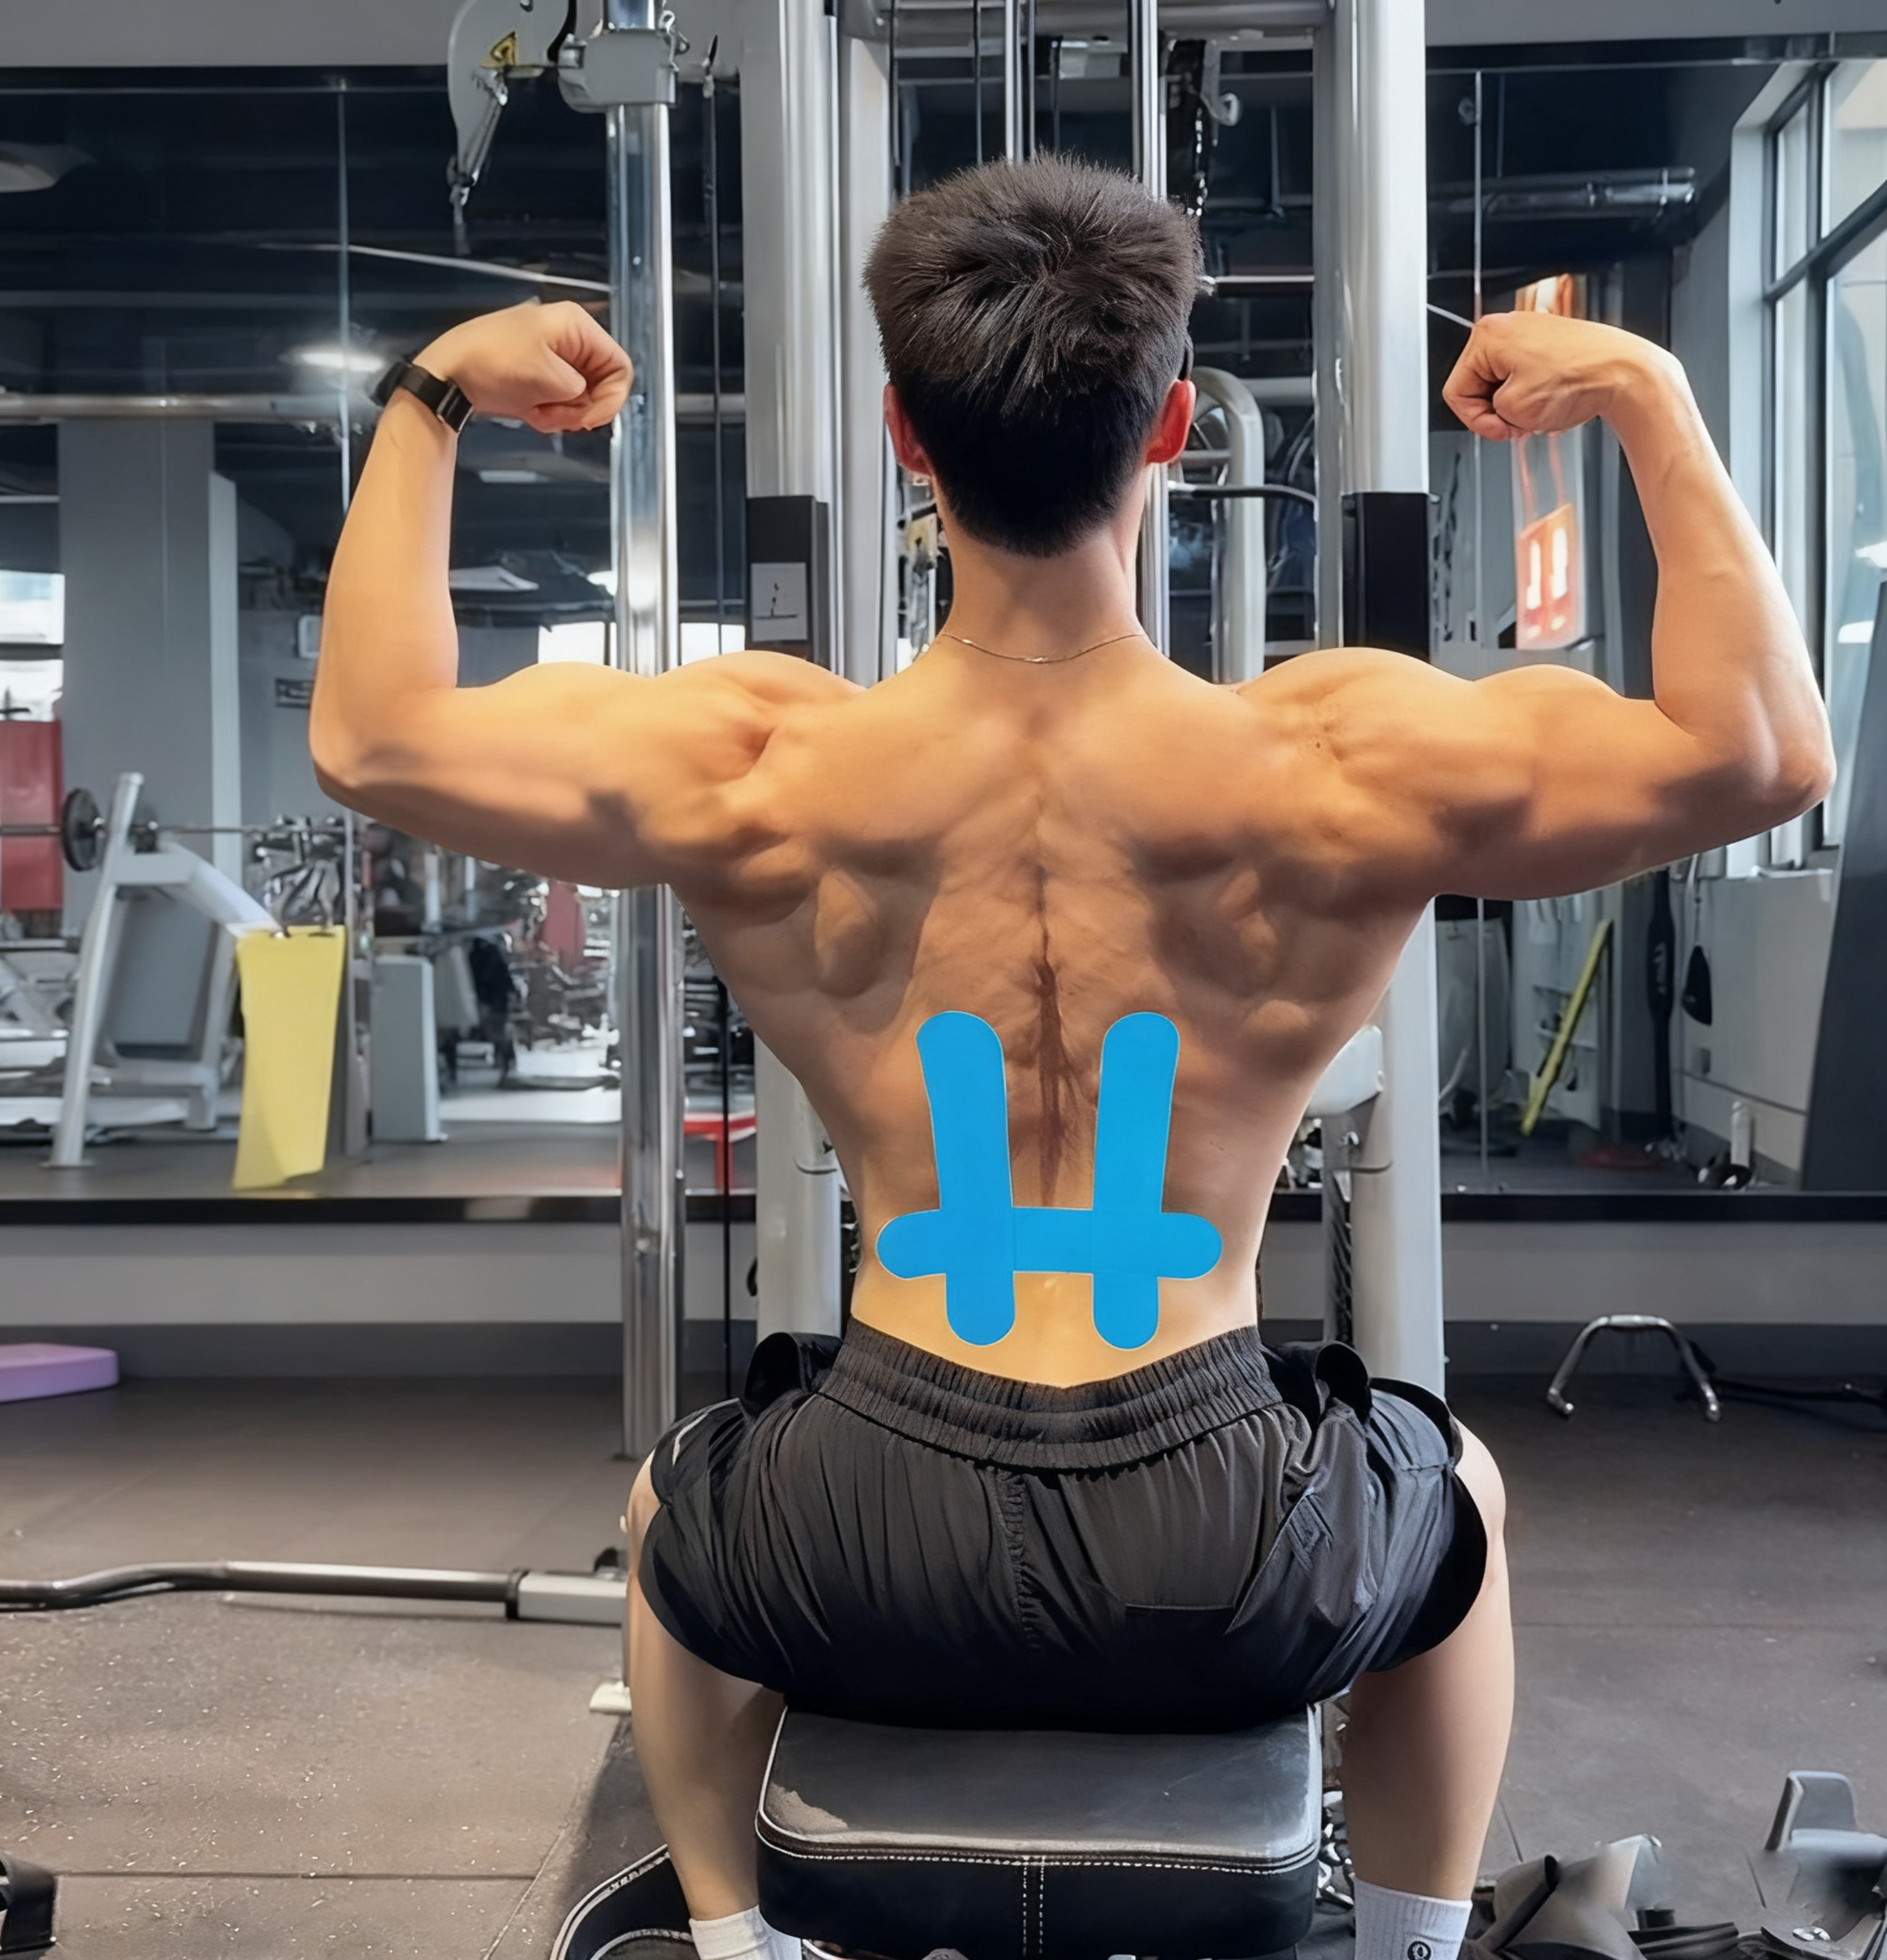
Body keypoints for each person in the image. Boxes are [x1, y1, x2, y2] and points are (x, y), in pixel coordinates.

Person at [312, 157, 1832, 1960]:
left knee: (671, 1505)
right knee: (1464, 1501)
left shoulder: (761, 760)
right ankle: (1411, 1950)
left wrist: (431, 397)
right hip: (1234, 1551)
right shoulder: (1339, 756)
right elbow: (1763, 751)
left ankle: (736, 1944)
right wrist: (1647, 393)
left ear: (905, 439)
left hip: (861, 1540)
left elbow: (372, 736)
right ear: (1175, 426)